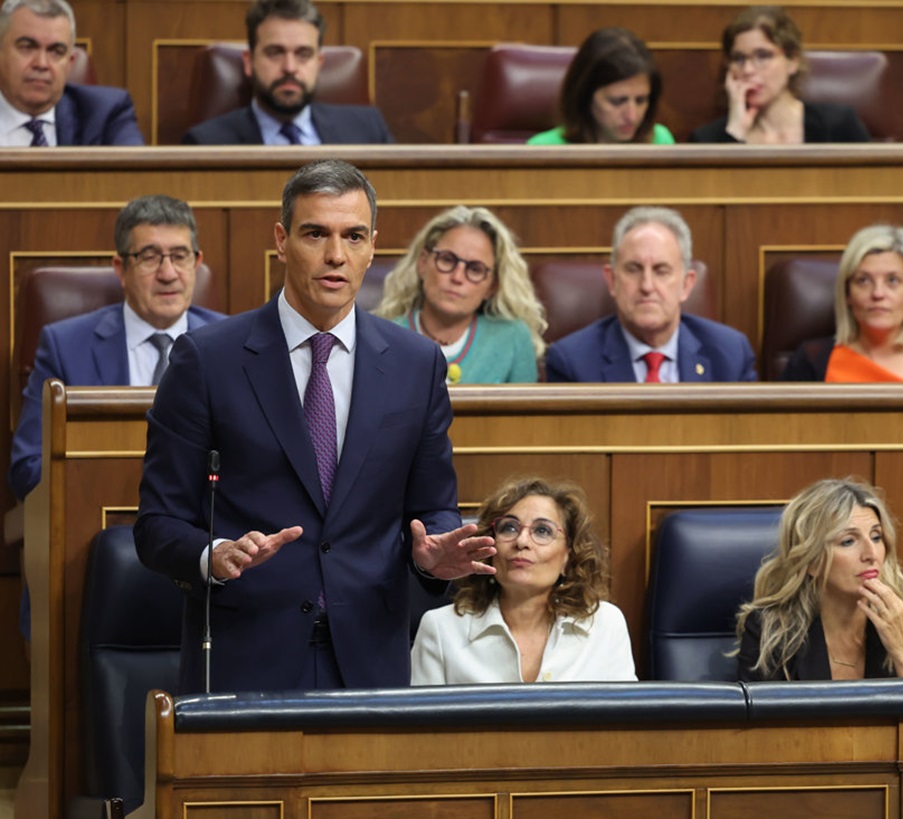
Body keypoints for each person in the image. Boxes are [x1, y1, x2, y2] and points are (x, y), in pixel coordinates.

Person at [134, 159, 495, 693]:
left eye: (353, 236)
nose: (336, 255)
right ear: (281, 240)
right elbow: (157, 524)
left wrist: (434, 553)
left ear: (373, 245)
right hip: (246, 655)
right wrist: (214, 556)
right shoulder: (207, 360)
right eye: (315, 234)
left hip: (371, 658)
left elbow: (432, 506)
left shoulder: (416, 364)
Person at [8, 194, 224, 641]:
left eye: (179, 256)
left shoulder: (233, 343)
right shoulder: (65, 345)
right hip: (86, 557)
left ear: (197, 263)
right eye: (149, 256)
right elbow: (27, 468)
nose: (168, 272)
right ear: (120, 267)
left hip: (204, 557)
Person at [411, 476, 636, 684]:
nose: (521, 541)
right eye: (509, 528)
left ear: (569, 555)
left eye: (542, 531)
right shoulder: (441, 630)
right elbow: (419, 726)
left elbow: (626, 722)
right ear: (489, 547)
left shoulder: (605, 624)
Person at [735, 478, 903, 681]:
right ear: (812, 561)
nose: (871, 554)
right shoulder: (773, 631)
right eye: (848, 541)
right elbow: (767, 712)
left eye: (876, 537)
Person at [545, 206, 756, 383]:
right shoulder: (572, 362)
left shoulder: (730, 354)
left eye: (661, 271)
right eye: (633, 269)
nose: (647, 285)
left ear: (686, 284)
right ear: (612, 280)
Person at [373, 205, 545, 384]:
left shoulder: (512, 338)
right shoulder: (382, 338)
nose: (457, 277)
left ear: (492, 287)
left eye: (475, 269)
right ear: (423, 263)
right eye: (447, 260)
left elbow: (526, 412)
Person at [182, 0, 393, 145]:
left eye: (303, 54)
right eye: (275, 53)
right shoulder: (206, 142)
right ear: (249, 62)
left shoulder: (368, 129)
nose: (290, 67)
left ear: (319, 63)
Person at [781, 225, 903, 382]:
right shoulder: (809, 362)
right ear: (847, 294)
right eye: (863, 281)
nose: (878, 293)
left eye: (892, 281)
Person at [689, 6, 870, 144]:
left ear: (792, 61)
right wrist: (735, 131)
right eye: (739, 58)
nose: (748, 70)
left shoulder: (838, 125)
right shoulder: (706, 140)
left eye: (763, 55)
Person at [0, 0, 143, 146]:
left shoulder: (105, 113)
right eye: (27, 47)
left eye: (56, 51)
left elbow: (136, 167)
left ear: (70, 62)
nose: (41, 64)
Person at [527, 27, 673, 145]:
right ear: (585, 96)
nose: (632, 116)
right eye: (617, 101)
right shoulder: (544, 149)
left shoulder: (659, 141)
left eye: (640, 100)